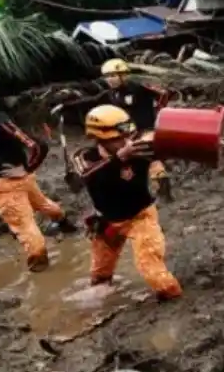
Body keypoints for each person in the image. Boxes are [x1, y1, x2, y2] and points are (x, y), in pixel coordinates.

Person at [67, 104, 182, 301]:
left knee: (151, 268)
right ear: (99, 138)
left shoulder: (139, 148)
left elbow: (168, 145)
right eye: (117, 138)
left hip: (140, 216)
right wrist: (119, 159)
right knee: (99, 276)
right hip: (107, 222)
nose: (125, 141)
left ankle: (173, 299)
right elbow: (87, 176)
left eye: (127, 135)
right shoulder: (85, 156)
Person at [0, 85, 76, 272]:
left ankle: (40, 267)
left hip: (8, 183)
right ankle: (65, 224)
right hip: (17, 178)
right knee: (43, 204)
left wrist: (28, 168)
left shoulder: (0, 123)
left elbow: (38, 146)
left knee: (24, 226)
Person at [99, 58, 173, 200]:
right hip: (129, 131)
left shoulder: (138, 87)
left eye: (113, 75)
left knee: (150, 157)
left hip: (146, 128)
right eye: (107, 76)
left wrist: (160, 111)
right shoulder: (111, 94)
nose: (110, 80)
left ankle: (164, 190)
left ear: (123, 75)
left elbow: (163, 93)